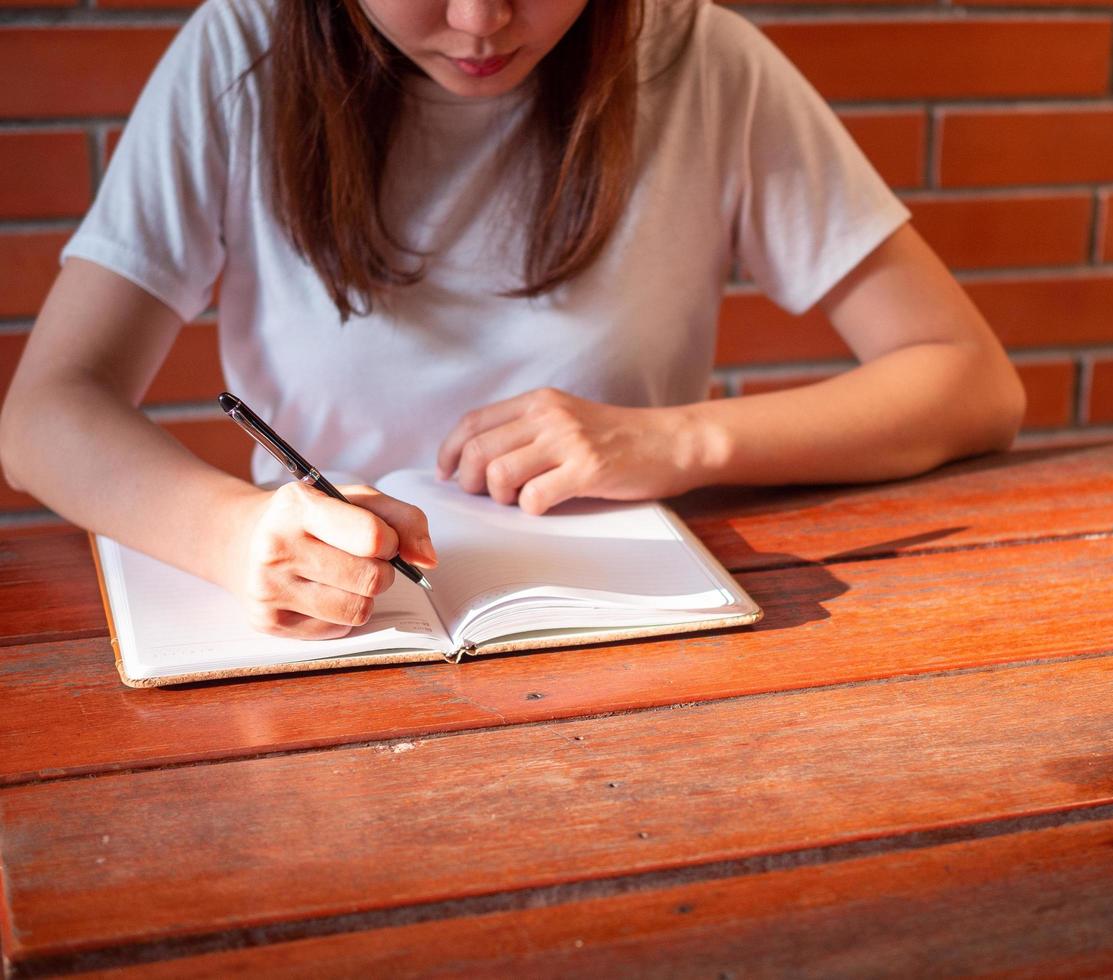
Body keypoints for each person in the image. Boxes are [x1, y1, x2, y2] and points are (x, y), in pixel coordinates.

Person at [0, 0, 1026, 641]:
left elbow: (971, 380)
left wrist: (679, 437)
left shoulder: (700, 57)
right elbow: (45, 413)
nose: (482, 20)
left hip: (643, 638)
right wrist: (232, 534)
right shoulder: (243, 50)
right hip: (327, 643)